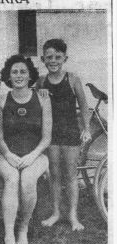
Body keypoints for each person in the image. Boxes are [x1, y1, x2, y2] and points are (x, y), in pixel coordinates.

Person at [0, 54, 52, 244]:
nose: (18, 75)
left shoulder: (43, 98)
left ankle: (23, 227)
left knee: (27, 179)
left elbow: (46, 138)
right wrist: (8, 155)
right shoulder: (1, 100)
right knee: (12, 179)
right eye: (14, 72)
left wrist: (32, 156)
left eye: (23, 71)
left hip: (36, 154)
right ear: (8, 76)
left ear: (30, 75)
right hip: (5, 153)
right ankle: (9, 236)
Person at [36, 38, 91, 231]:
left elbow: (84, 106)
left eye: (57, 57)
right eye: (49, 57)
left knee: (71, 174)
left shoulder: (73, 79)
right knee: (54, 174)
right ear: (43, 59)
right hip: (51, 134)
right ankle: (56, 213)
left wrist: (86, 128)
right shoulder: (41, 81)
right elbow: (37, 107)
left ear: (64, 58)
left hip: (70, 133)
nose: (53, 60)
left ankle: (73, 215)